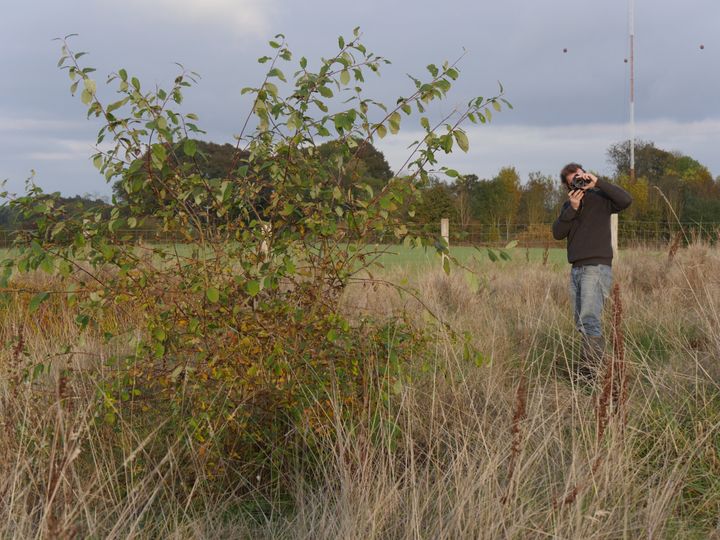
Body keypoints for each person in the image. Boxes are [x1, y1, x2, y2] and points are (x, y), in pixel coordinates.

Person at [552, 163, 632, 384]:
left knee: (589, 319)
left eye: (580, 177)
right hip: (577, 269)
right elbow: (558, 233)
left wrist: (598, 182)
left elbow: (626, 200)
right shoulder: (569, 206)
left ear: (585, 174)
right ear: (568, 187)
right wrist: (573, 208)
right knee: (581, 321)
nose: (579, 182)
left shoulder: (602, 197)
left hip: (596, 268)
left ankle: (591, 375)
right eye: (573, 182)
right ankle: (589, 371)